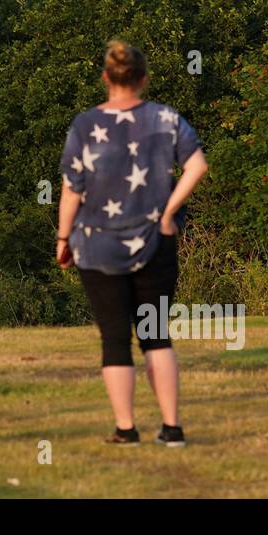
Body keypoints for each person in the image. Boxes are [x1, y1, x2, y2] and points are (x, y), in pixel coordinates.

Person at [56, 40, 208, 447]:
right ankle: (172, 428)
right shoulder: (166, 118)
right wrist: (169, 211)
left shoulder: (84, 125)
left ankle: (126, 429)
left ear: (106, 78)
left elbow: (72, 190)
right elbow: (197, 165)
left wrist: (62, 237)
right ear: (143, 78)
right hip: (156, 242)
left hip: (97, 245)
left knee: (114, 338)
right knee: (156, 335)